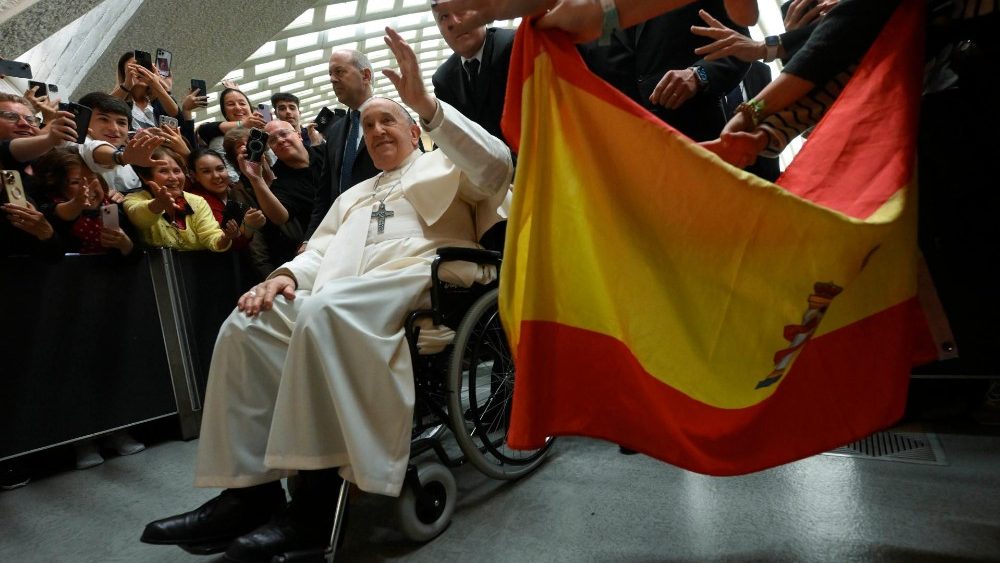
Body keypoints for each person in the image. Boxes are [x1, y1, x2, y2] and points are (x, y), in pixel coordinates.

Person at [140, 26, 513, 561]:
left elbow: (497, 166)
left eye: (390, 120)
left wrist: (429, 106)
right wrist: (286, 277)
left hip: (420, 281)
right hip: (339, 289)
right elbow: (319, 251)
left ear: (414, 130)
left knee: (322, 311)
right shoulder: (354, 194)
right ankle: (249, 493)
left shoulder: (447, 164)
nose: (379, 129)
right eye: (368, 122)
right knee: (248, 324)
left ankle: (316, 503)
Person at [302, 49, 380, 244]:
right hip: (341, 234)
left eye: (339, 72)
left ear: (365, 75)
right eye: (330, 74)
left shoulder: (395, 119)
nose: (332, 79)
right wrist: (309, 240)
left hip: (381, 229)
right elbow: (325, 191)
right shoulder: (336, 131)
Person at [238, 120, 322, 267]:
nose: (280, 141)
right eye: (272, 140)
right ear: (271, 149)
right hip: (321, 242)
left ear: (299, 135)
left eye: (284, 134)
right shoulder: (280, 181)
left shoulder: (327, 152)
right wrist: (256, 178)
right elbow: (280, 217)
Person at [431, 5, 516, 148]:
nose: (454, 22)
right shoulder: (443, 79)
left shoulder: (513, 47)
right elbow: (446, 139)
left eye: (460, 9)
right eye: (444, 17)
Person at [124, 147, 236, 252]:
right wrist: (158, 204)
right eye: (163, 171)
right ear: (145, 177)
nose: (173, 178)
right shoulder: (134, 199)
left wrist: (226, 237)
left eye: (177, 171)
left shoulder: (197, 201)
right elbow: (139, 218)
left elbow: (211, 236)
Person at [187, 148, 266, 252]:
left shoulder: (235, 189)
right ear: (194, 175)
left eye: (220, 169)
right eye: (206, 171)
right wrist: (247, 227)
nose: (216, 176)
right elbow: (224, 244)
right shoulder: (197, 200)